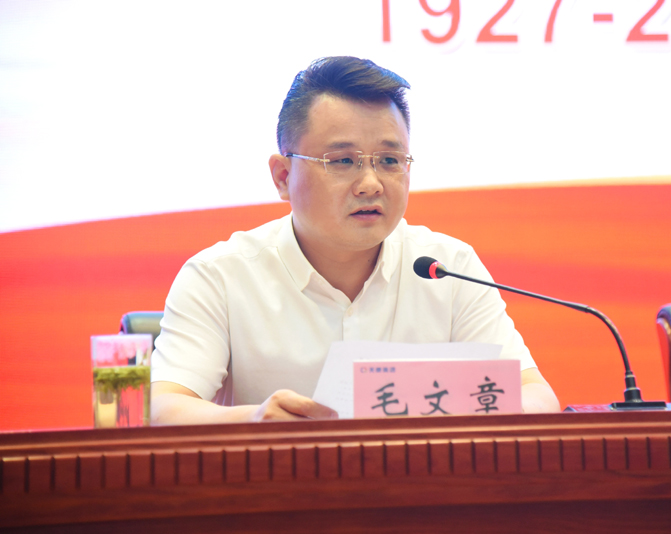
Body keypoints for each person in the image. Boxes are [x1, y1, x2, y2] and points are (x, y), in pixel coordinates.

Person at [150, 56, 559, 424]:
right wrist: (254, 420)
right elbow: (162, 406)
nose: (370, 184)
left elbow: (536, 395)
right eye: (343, 161)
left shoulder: (448, 268)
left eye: (389, 161)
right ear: (282, 176)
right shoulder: (220, 276)